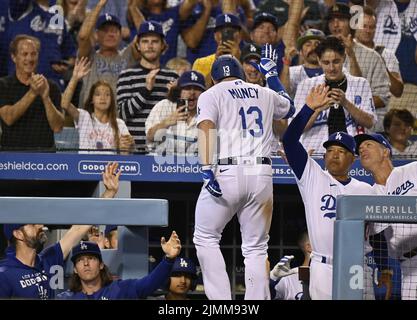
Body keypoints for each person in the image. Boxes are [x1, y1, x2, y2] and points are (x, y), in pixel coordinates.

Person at [193, 46, 295, 300]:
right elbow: (289, 108)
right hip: (261, 174)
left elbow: (206, 128)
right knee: (256, 249)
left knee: (206, 237)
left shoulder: (211, 93)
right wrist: (271, 75)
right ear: (239, 73)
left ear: (214, 78)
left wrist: (207, 169)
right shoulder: (264, 91)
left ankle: (221, 303)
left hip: (227, 170)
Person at [282, 84, 376, 299]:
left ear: (353, 159)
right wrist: (308, 108)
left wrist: (384, 267)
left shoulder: (365, 189)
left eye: (341, 151)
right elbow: (288, 140)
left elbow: (378, 235)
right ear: (324, 156)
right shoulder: (312, 175)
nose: (334, 155)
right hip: (323, 266)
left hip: (356, 265)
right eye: (330, 150)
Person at [0, 162, 120, 299]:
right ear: (18, 234)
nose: (41, 225)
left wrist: (109, 193)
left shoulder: (48, 259)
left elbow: (78, 229)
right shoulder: (4, 274)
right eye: (33, 224)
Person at [355, 132, 417, 300]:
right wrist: (385, 270)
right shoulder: (370, 194)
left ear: (385, 152)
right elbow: (377, 239)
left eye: (368, 145)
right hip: (408, 266)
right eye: (360, 149)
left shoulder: (412, 170)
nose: (362, 149)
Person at [293, 36, 377, 155]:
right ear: (319, 60)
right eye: (326, 63)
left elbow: (370, 122)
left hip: (351, 153)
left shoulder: (360, 83)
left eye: (336, 61)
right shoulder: (306, 86)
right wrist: (317, 109)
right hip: (315, 153)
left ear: (344, 58)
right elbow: (297, 128)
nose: (331, 68)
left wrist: (345, 103)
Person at [57, 231, 182, 299]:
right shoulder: (65, 297)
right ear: (75, 269)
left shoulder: (120, 289)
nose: (85, 263)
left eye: (91, 258)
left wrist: (169, 259)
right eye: (80, 260)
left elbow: (149, 284)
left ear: (101, 265)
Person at [117, 20, 178, 152]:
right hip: (134, 150)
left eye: (155, 41)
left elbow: (181, 115)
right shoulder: (126, 76)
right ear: (138, 45)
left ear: (163, 45)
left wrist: (174, 96)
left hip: (163, 151)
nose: (150, 46)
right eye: (145, 41)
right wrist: (146, 90)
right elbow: (122, 113)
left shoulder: (173, 76)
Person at [0, 35, 64, 151]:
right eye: (24, 54)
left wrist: (45, 97)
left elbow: (57, 127)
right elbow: (8, 118)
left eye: (33, 54)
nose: (29, 59)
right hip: (12, 158)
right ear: (14, 57)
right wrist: (33, 93)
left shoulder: (51, 87)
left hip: (44, 158)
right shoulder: (3, 85)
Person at [327, 2, 391, 116]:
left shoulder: (372, 57)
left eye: (341, 20)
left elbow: (382, 98)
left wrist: (348, 105)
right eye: (331, 21)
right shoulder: (322, 56)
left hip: (365, 125)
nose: (335, 25)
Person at [61, 57, 134, 154]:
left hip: (110, 167)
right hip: (85, 166)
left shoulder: (119, 124)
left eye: (107, 94)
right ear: (92, 99)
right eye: (98, 94)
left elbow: (126, 152)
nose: (103, 98)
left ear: (111, 100)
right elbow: (64, 104)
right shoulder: (84, 117)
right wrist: (74, 78)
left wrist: (128, 145)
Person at [77, 0, 139, 109]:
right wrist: (100, 4)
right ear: (96, 35)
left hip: (120, 120)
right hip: (90, 119)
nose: (110, 34)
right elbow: (83, 36)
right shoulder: (88, 56)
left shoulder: (128, 55)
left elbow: (146, 35)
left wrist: (133, 8)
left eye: (114, 31)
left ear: (120, 35)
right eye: (105, 31)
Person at [354, 5, 404, 132]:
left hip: (377, 124)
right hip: (350, 120)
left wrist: (384, 67)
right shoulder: (346, 52)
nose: (368, 30)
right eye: (364, 26)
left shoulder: (386, 54)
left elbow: (398, 91)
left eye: (372, 27)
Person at [145, 70, 205, 155]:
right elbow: (150, 137)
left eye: (197, 88)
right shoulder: (164, 105)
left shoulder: (207, 112)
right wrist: (166, 123)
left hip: (192, 165)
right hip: (159, 164)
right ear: (179, 91)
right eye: (187, 88)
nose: (192, 92)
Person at [280, 28, 325, 98]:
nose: (313, 48)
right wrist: (286, 63)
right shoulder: (292, 71)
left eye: (317, 44)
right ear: (300, 52)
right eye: (308, 45)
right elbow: (282, 94)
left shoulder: (332, 70)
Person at [270, 231, 312, 300]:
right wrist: (273, 278)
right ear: (309, 247)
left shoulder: (330, 277)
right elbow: (264, 296)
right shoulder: (288, 279)